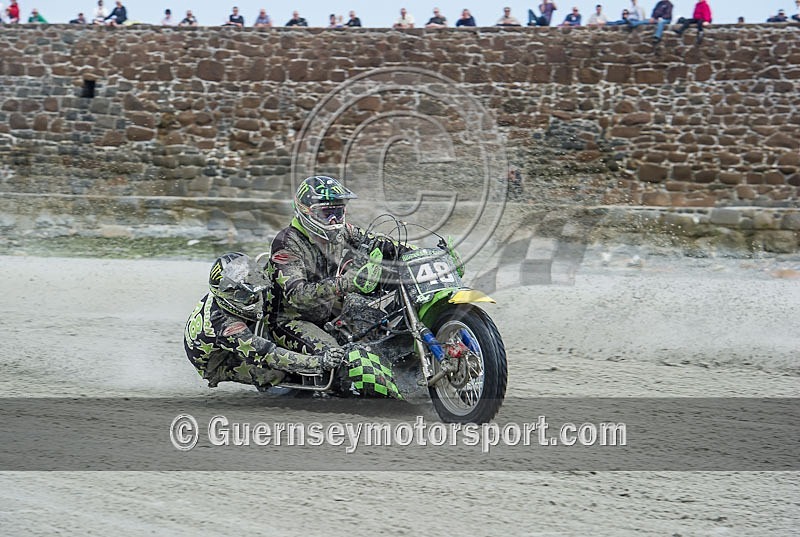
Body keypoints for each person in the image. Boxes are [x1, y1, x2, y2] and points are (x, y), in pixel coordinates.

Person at [264, 176, 415, 357]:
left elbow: (376, 242)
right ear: (306, 211)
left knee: (376, 331)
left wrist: (417, 254)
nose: (334, 220)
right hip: (289, 320)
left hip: (326, 312)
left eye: (338, 212)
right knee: (337, 357)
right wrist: (346, 283)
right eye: (326, 214)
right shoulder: (286, 243)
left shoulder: (342, 232)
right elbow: (297, 297)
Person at [184, 252, 344, 391]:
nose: (255, 298)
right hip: (218, 361)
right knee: (275, 373)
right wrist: (319, 362)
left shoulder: (227, 290)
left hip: (221, 335)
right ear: (228, 297)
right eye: (245, 296)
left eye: (254, 291)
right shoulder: (226, 326)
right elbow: (268, 355)